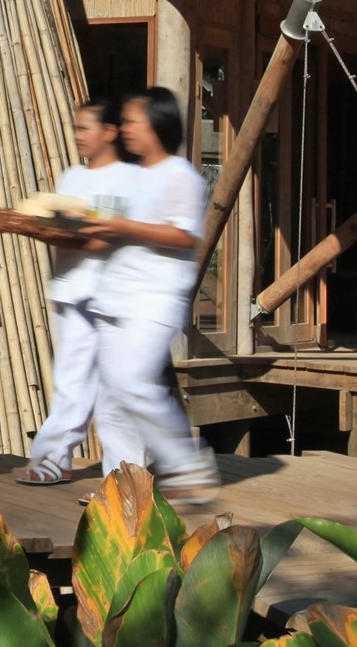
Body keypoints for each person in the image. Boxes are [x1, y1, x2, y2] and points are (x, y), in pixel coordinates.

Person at [74, 87, 220, 503]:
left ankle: (188, 466)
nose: (126, 130)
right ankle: (121, 487)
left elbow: (182, 234)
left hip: (154, 300)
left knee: (133, 384)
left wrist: (124, 229)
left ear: (158, 124)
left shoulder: (182, 177)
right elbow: (112, 232)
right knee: (111, 398)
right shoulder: (132, 176)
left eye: (134, 121)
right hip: (116, 297)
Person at [0, 97, 136, 486]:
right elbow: (59, 227)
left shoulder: (130, 179)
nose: (78, 136)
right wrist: (36, 226)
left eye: (85, 128)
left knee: (116, 388)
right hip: (73, 290)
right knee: (72, 380)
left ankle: (123, 478)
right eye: (75, 129)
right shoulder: (72, 177)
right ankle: (55, 459)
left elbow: (116, 235)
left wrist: (84, 234)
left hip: (115, 297)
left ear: (109, 132)